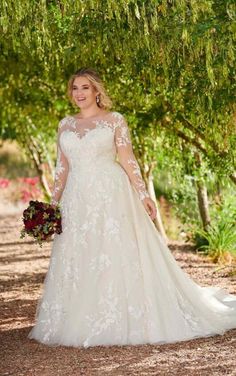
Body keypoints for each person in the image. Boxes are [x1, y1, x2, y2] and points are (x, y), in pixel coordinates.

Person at [28, 68, 236, 348]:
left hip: (111, 193)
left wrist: (143, 195)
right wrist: (52, 205)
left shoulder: (114, 120)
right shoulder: (65, 124)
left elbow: (128, 160)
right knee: (82, 252)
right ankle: (83, 315)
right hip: (77, 197)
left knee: (115, 251)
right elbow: (62, 167)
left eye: (85, 88)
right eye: (75, 88)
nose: (79, 93)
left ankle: (127, 315)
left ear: (97, 91)